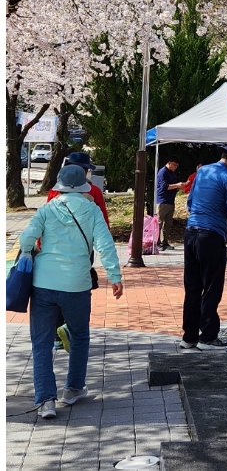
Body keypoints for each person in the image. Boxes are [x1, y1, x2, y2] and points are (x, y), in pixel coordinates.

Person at [19, 165, 123, 419]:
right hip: (77, 284)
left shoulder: (47, 209)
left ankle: (45, 401)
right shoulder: (92, 210)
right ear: (85, 184)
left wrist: (30, 252)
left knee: (41, 343)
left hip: (43, 284)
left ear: (59, 184)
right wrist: (115, 276)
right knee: (79, 336)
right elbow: (106, 246)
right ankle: (73, 388)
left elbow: (25, 240)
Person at [181, 142, 227, 351]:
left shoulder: (203, 171)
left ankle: (189, 336)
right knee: (211, 286)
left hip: (190, 232)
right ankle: (208, 335)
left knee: (192, 287)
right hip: (211, 235)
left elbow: (190, 202)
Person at [47, 151, 110, 352]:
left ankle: (57, 335)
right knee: (79, 292)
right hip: (82, 250)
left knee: (56, 290)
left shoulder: (54, 192)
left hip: (56, 250)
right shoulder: (94, 192)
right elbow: (104, 224)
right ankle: (72, 330)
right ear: (84, 171)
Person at [156, 159, 186, 251]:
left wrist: (180, 187)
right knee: (159, 223)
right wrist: (177, 185)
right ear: (169, 163)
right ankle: (156, 242)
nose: (175, 167)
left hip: (170, 201)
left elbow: (173, 186)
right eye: (174, 165)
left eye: (177, 166)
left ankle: (164, 241)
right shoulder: (162, 172)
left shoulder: (172, 173)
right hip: (162, 201)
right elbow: (164, 186)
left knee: (168, 223)